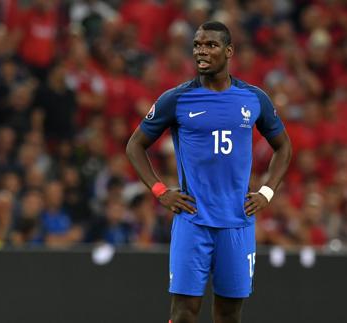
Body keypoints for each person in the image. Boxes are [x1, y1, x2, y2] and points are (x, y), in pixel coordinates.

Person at [125, 21, 292, 323]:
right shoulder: (176, 99)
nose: (201, 51)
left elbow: (284, 147)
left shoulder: (253, 98)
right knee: (184, 312)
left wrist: (267, 192)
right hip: (193, 221)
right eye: (197, 45)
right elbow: (135, 145)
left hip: (237, 222)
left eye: (210, 45)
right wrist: (160, 191)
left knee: (229, 314)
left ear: (228, 51)